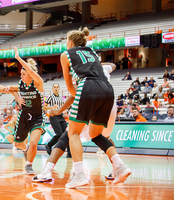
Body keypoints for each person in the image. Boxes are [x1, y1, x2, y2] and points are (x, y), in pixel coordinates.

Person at [60, 27, 131, 188]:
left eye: (66, 41)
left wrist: (82, 97)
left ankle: (79, 175)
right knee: (95, 134)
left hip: (88, 87)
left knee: (73, 132)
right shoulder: (91, 51)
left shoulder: (65, 55)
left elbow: (70, 87)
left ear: (70, 42)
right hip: (108, 90)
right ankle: (120, 166)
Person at [32, 62, 118, 183]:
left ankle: (50, 171)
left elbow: (74, 95)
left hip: (90, 104)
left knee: (66, 137)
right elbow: (113, 65)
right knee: (104, 137)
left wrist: (59, 110)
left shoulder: (79, 72)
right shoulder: (102, 68)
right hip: (110, 104)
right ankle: (118, 168)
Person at [5, 47, 45, 175]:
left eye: (23, 74)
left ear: (29, 73)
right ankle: (25, 149)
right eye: (21, 74)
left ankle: (29, 165)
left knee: (34, 143)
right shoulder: (21, 84)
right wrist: (18, 98)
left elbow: (33, 74)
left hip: (37, 117)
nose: (21, 76)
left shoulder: (38, 83)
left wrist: (18, 58)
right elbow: (10, 88)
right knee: (18, 144)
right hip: (23, 116)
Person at [44, 83, 69, 157]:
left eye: (57, 87)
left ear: (59, 88)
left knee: (66, 134)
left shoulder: (62, 97)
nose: (56, 88)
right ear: (52, 89)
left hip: (61, 117)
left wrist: (64, 110)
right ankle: (49, 145)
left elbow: (62, 106)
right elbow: (44, 107)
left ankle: (69, 152)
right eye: (54, 87)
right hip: (54, 117)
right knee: (59, 134)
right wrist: (52, 107)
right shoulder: (50, 97)